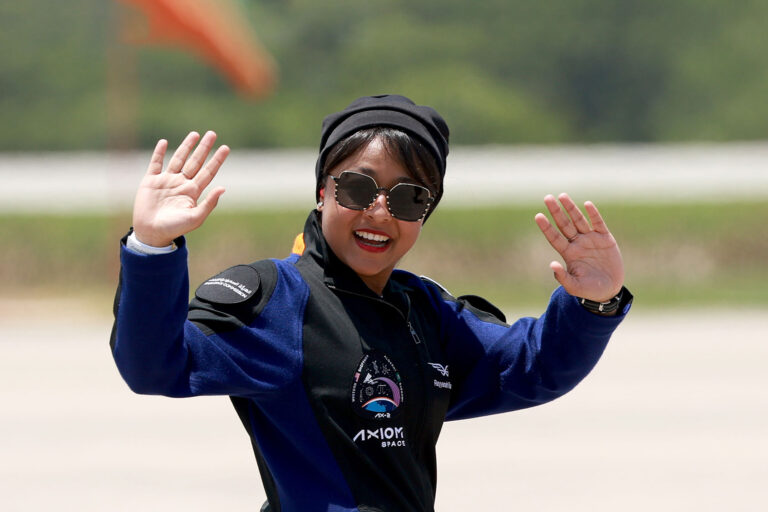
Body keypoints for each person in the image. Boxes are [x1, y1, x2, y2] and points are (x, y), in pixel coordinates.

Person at [110, 94, 632, 512]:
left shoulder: (426, 312)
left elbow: (530, 366)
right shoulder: (275, 302)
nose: (379, 212)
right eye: (358, 188)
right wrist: (151, 248)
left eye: (408, 197)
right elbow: (154, 366)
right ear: (322, 191)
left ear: (427, 211)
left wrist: (593, 303)